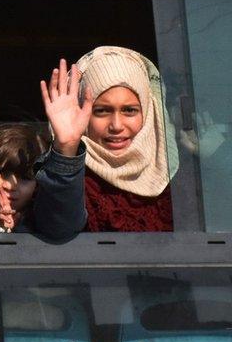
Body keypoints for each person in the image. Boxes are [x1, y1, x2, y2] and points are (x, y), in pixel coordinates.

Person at [39, 47, 178, 233]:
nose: (116, 125)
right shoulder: (65, 176)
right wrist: (67, 148)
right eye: (101, 111)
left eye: (129, 110)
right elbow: (58, 228)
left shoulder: (177, 177)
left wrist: (215, 156)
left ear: (148, 111)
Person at [0, 123, 48, 232]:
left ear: (37, 185)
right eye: (0, 172)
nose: (9, 186)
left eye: (25, 178)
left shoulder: (42, 222)